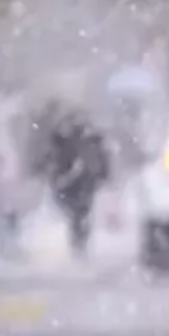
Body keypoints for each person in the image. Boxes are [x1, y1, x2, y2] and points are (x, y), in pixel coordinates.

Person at [37, 107, 110, 257]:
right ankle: (78, 240)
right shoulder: (71, 139)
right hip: (75, 180)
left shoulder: (87, 140)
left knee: (80, 212)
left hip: (83, 181)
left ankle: (79, 241)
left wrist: (100, 174)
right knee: (77, 212)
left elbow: (100, 159)